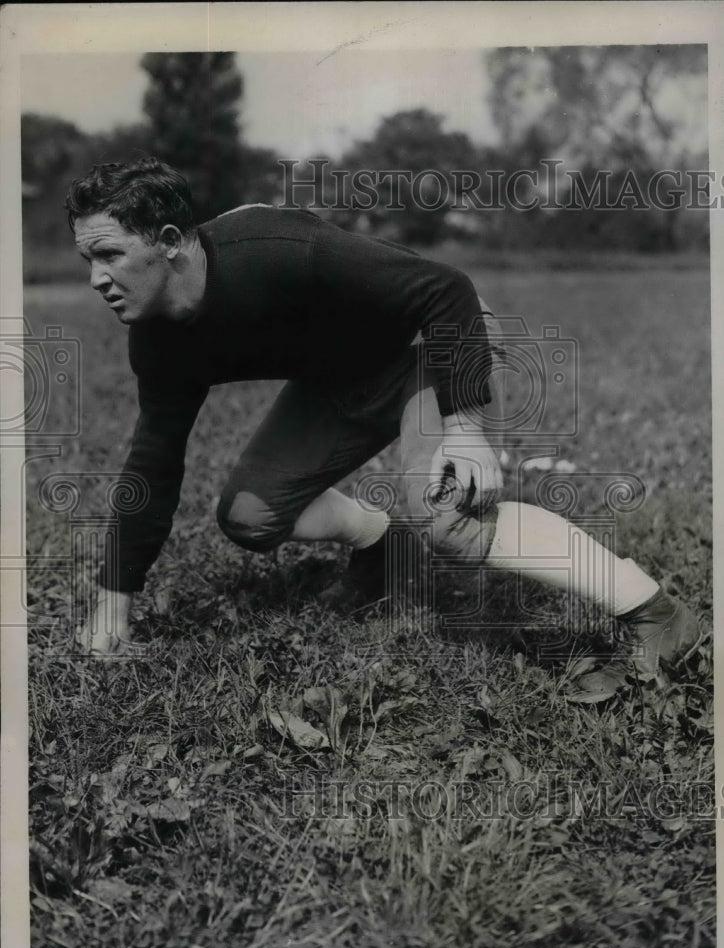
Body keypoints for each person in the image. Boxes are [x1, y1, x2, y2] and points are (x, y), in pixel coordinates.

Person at [67, 157, 699, 679]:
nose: (97, 279)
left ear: (170, 243)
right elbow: (153, 462)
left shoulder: (278, 251)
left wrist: (466, 429)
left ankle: (651, 609)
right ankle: (379, 542)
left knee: (449, 519)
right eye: (87, 260)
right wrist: (114, 597)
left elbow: (445, 290)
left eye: (110, 254)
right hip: (344, 376)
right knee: (249, 518)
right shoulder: (156, 338)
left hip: (436, 340)